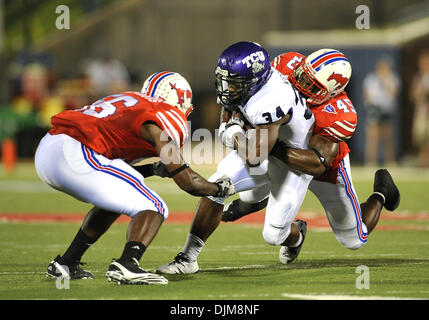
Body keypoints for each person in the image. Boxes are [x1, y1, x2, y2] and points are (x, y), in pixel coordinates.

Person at [35, 71, 235, 285]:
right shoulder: (165, 113)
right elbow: (187, 181)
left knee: (116, 199)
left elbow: (116, 171)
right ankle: (127, 264)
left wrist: (154, 170)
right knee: (154, 206)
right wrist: (217, 189)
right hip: (76, 152)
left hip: (52, 147)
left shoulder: (129, 100)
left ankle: (66, 263)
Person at [221, 50, 401, 262]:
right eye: (301, 74)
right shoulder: (285, 64)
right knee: (254, 185)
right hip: (281, 153)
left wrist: (269, 147)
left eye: (311, 84)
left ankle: (381, 193)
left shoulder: (339, 113)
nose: (300, 83)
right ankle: (257, 203)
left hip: (322, 168)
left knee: (353, 239)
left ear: (330, 92)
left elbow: (317, 163)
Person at [154, 41, 316, 274]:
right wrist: (229, 128)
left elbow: (255, 156)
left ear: (255, 80)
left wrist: (233, 132)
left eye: (235, 84)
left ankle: (296, 235)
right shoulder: (244, 85)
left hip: (292, 161)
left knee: (273, 234)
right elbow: (229, 107)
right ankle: (188, 258)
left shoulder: (273, 97)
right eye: (226, 81)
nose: (227, 88)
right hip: (262, 144)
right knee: (218, 185)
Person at [363, 57, 400, 166]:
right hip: (374, 109)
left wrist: (384, 81)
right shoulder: (370, 79)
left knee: (387, 137)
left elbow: (393, 93)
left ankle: (390, 161)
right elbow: (366, 96)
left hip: (386, 110)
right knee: (372, 136)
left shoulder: (393, 78)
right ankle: (370, 162)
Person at [410, 49, 429, 167]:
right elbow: (413, 94)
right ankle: (423, 161)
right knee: (421, 138)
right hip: (421, 111)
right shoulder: (418, 77)